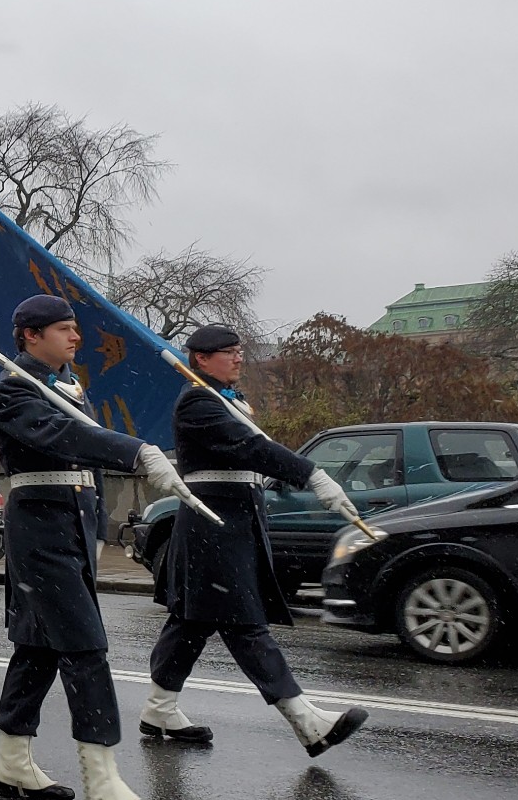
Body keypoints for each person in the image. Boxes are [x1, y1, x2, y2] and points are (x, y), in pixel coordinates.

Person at [0, 295, 192, 800]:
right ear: (30, 336)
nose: (75, 337)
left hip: (70, 532)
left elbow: (84, 465)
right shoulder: (14, 389)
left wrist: (97, 531)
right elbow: (62, 437)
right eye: (63, 329)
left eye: (74, 328)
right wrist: (136, 451)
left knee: (37, 650)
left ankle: (12, 763)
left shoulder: (66, 388)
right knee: (86, 648)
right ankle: (102, 781)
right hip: (40, 533)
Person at [142, 324, 370, 758]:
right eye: (227, 352)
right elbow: (250, 449)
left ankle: (159, 708)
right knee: (244, 623)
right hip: (213, 525)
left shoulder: (225, 401)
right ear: (200, 359)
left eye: (239, 350)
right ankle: (306, 720)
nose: (238, 357)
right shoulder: (197, 402)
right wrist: (311, 474)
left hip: (233, 522)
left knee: (191, 622)